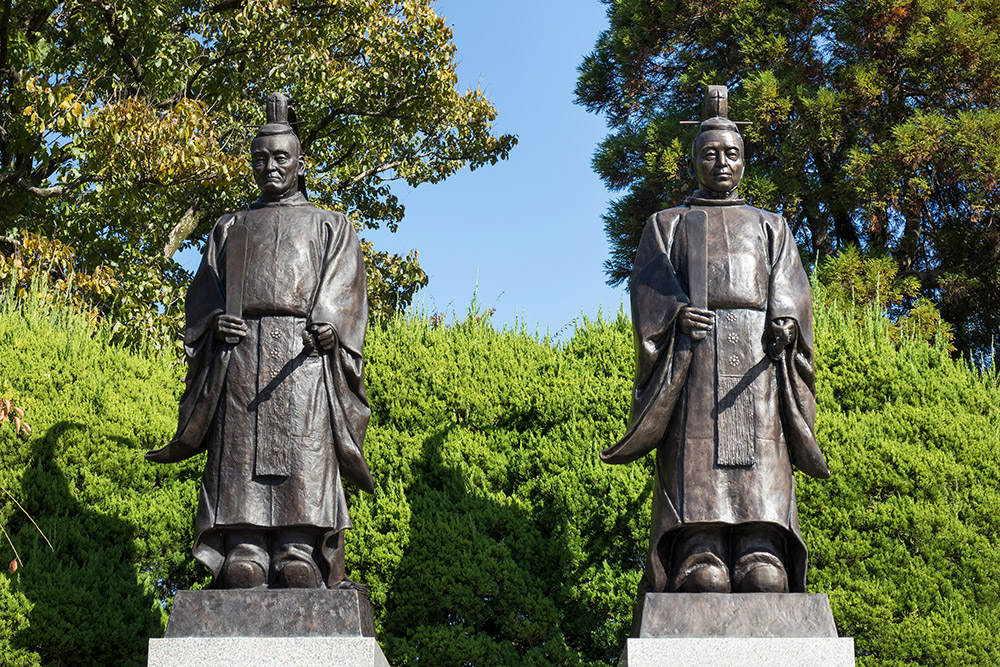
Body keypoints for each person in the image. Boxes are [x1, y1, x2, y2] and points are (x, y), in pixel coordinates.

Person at [601, 86, 830, 612]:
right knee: (696, 454)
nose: (721, 163)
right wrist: (678, 314)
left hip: (757, 360)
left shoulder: (772, 226)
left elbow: (792, 289)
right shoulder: (668, 225)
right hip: (696, 357)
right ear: (692, 161)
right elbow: (649, 291)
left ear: (745, 162)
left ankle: (761, 547)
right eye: (710, 154)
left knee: (761, 456)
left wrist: (787, 323)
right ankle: (698, 550)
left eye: (731, 154)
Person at [146, 93, 373, 590]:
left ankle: (299, 546)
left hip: (303, 357)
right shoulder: (230, 227)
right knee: (238, 451)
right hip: (241, 353)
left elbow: (344, 292)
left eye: (280, 158)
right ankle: (244, 544)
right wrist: (213, 327)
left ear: (299, 162)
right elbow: (204, 297)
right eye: (260, 159)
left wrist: (330, 327)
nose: (270, 167)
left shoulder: (331, 226)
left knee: (304, 449)